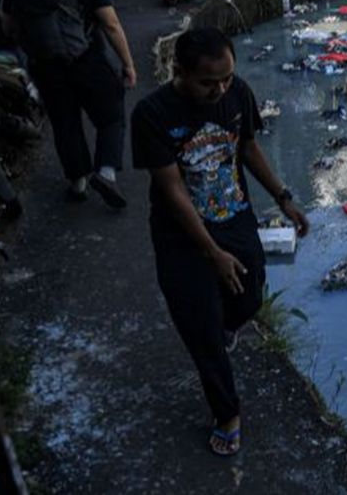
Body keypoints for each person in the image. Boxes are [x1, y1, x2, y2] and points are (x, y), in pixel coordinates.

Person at [131, 27, 309, 456]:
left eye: (227, 78)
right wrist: (212, 253)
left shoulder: (238, 93)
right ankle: (227, 412)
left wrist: (284, 199)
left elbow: (247, 148)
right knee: (201, 333)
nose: (221, 89)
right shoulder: (152, 115)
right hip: (182, 237)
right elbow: (172, 189)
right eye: (209, 82)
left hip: (235, 219)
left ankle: (230, 322)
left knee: (249, 299)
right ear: (180, 72)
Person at [1, 0, 136, 207]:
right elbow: (110, 25)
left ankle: (78, 183)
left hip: (46, 68)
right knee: (111, 116)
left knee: (65, 124)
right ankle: (107, 173)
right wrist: (127, 64)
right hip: (86, 61)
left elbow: (9, 28)